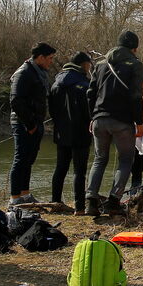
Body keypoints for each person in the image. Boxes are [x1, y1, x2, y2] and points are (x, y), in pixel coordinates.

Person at [85, 30, 143, 216]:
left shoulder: (101, 64)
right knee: (125, 159)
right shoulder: (135, 65)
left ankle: (91, 201)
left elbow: (90, 93)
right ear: (134, 49)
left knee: (99, 159)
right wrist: (140, 122)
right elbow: (136, 96)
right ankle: (113, 202)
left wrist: (92, 117)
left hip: (99, 119)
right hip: (122, 121)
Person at [8, 42, 55, 205]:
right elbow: (16, 101)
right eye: (50, 58)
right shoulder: (24, 72)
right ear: (40, 57)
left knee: (29, 159)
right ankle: (15, 199)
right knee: (20, 159)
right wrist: (30, 125)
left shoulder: (38, 72)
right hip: (23, 123)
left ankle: (25, 195)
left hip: (36, 122)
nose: (51, 61)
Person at [48, 51, 92, 214]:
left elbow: (52, 110)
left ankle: (55, 202)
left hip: (61, 132)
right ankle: (79, 208)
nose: (89, 68)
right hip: (80, 132)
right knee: (79, 171)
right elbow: (88, 110)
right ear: (83, 64)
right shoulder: (83, 84)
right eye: (88, 64)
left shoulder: (56, 83)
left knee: (60, 168)